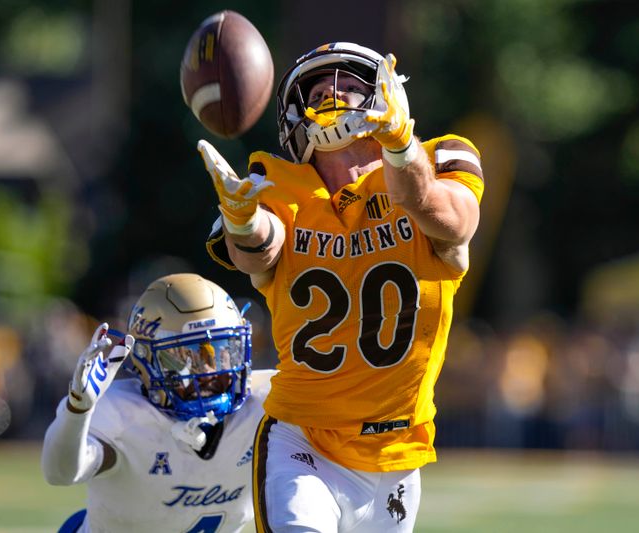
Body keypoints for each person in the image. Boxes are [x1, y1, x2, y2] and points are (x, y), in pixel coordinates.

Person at [199, 42, 484, 532]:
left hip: (397, 449)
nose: (334, 93)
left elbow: (454, 223)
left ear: (387, 95)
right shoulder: (276, 180)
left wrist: (401, 146)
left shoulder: (440, 157)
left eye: (351, 85)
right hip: (303, 438)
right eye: (319, 88)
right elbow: (260, 254)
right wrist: (242, 222)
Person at [41, 273, 275, 533]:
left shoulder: (266, 405)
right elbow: (59, 473)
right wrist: (76, 412)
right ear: (144, 360)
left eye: (221, 352)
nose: (209, 372)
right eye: (186, 358)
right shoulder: (123, 414)